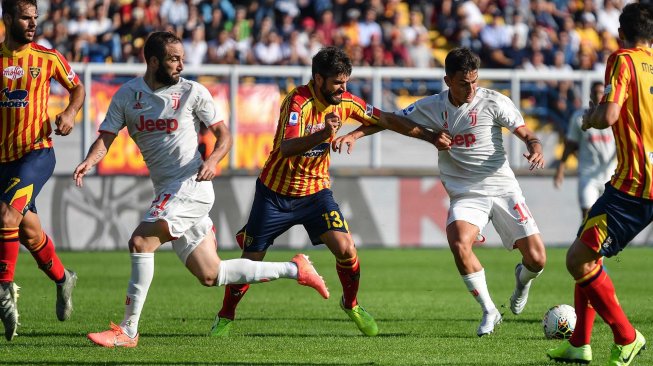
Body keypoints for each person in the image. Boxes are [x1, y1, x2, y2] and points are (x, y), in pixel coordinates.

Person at [74, 31, 330, 348]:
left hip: (191, 186)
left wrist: (214, 160)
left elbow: (224, 136)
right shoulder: (127, 96)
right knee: (211, 274)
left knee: (141, 241)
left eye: (182, 58)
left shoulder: (193, 92)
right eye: (174, 59)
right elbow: (107, 137)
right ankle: (296, 269)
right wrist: (89, 160)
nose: (182, 64)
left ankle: (127, 331)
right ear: (153, 61)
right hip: (167, 191)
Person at [210, 46, 438, 337]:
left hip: (316, 193)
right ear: (318, 78)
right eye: (337, 82)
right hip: (275, 194)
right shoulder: (297, 102)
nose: (343, 88)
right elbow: (287, 148)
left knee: (346, 249)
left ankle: (351, 304)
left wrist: (431, 137)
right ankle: (226, 315)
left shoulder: (345, 101)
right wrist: (324, 133)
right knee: (250, 261)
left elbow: (388, 120)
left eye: (346, 82)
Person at [333, 47, 547, 337]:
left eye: (475, 81)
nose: (471, 88)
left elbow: (526, 133)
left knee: (537, 259)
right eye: (464, 83)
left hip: (503, 187)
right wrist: (356, 133)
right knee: (459, 241)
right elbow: (391, 119)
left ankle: (522, 281)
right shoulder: (433, 106)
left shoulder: (495, 101)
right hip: (466, 193)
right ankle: (489, 311)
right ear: (448, 81)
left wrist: (534, 146)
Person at [546, 3, 651, 364]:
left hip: (636, 184)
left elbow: (608, 115)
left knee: (578, 259)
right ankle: (579, 342)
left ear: (621, 33)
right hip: (639, 182)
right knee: (586, 247)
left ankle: (627, 336)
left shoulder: (622, 59)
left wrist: (590, 117)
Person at [0, 0, 82, 341]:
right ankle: (64, 278)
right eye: (25, 17)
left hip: (37, 154)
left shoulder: (47, 58)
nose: (33, 23)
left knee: (6, 218)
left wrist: (70, 113)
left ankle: (4, 290)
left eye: (36, 18)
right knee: (28, 233)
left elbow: (77, 88)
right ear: (7, 19)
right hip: (3, 162)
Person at [554, 82, 616, 219]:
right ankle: (587, 240)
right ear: (590, 95)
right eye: (596, 93)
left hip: (611, 177)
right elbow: (570, 145)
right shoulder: (578, 117)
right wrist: (560, 169)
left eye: (602, 93)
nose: (599, 96)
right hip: (588, 176)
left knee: (609, 219)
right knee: (588, 216)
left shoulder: (614, 117)